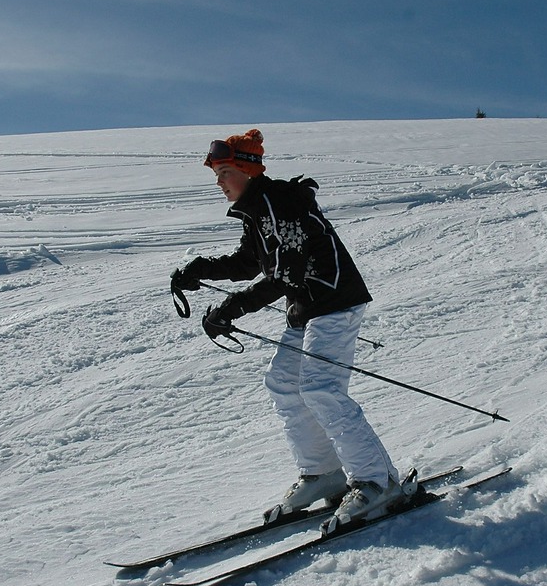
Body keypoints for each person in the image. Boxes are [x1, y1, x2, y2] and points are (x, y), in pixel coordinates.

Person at [170, 129, 403, 528]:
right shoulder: (258, 208)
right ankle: (323, 473)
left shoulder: (280, 203)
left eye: (224, 171)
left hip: (334, 300)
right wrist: (200, 270)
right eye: (217, 173)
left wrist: (231, 308)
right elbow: (248, 263)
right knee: (283, 382)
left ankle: (376, 482)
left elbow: (284, 276)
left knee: (320, 388)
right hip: (308, 308)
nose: (218, 181)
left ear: (245, 170)